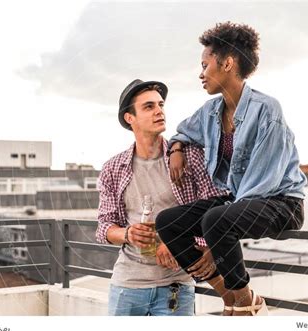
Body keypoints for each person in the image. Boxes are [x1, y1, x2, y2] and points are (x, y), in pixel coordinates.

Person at [156, 22, 307, 316]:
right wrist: (176, 149)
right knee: (168, 222)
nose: (200, 73)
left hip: (280, 203)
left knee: (216, 220)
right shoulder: (211, 110)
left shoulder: (267, 110)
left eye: (205, 64)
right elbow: (183, 132)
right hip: (239, 203)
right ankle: (231, 296)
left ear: (227, 63)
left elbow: (262, 182)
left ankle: (246, 305)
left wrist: (216, 244)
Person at [96, 79, 234, 316]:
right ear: (130, 118)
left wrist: (181, 244)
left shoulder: (188, 157)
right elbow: (104, 227)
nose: (159, 110)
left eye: (160, 105)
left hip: (176, 286)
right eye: (149, 107)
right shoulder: (113, 168)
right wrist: (128, 234)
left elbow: (217, 208)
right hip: (127, 285)